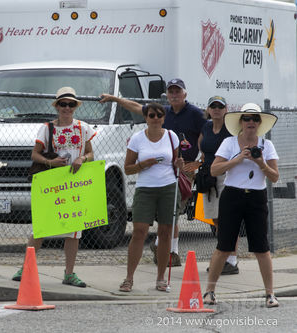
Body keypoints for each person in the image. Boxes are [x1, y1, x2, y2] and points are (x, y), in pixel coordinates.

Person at [100, 78, 206, 266]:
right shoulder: (162, 112)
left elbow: (204, 135)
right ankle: (165, 248)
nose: (174, 95)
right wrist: (115, 99)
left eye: (177, 91)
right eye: (171, 91)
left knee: (175, 212)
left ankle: (168, 250)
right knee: (166, 217)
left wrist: (197, 162)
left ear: (185, 94)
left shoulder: (195, 114)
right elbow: (136, 107)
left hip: (183, 167)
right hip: (157, 172)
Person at [12, 87, 96, 287]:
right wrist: (51, 163)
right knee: (41, 226)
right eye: (63, 104)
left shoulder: (84, 128)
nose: (67, 108)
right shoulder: (47, 128)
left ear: (75, 107)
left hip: (75, 183)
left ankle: (69, 273)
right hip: (52, 183)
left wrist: (82, 159)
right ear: (57, 106)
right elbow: (35, 154)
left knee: (74, 229)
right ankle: (26, 267)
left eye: (71, 104)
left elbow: (91, 153)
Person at [203, 103, 279, 308]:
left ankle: (270, 294)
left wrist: (260, 163)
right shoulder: (229, 143)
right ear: (241, 122)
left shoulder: (267, 145)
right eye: (247, 118)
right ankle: (210, 291)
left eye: (255, 119)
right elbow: (214, 170)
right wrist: (237, 158)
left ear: (259, 123)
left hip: (256, 197)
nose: (251, 122)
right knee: (223, 246)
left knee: (262, 248)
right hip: (232, 196)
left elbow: (275, 176)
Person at [118, 103, 184, 292]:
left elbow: (176, 163)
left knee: (165, 233)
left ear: (164, 118)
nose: (155, 118)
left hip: (168, 187)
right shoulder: (137, 139)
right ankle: (129, 278)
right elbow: (127, 168)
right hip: (145, 188)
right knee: (139, 232)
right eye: (152, 115)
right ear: (146, 118)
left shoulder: (172, 137)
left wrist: (180, 164)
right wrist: (142, 165)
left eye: (159, 115)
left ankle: (161, 278)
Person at [199, 96, 239, 275]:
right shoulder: (206, 127)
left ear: (226, 109)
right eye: (213, 106)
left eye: (220, 106)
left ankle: (231, 260)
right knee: (215, 219)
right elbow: (202, 146)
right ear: (208, 109)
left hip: (226, 176)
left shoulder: (230, 129)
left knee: (227, 219)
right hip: (209, 177)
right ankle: (222, 256)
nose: (216, 109)